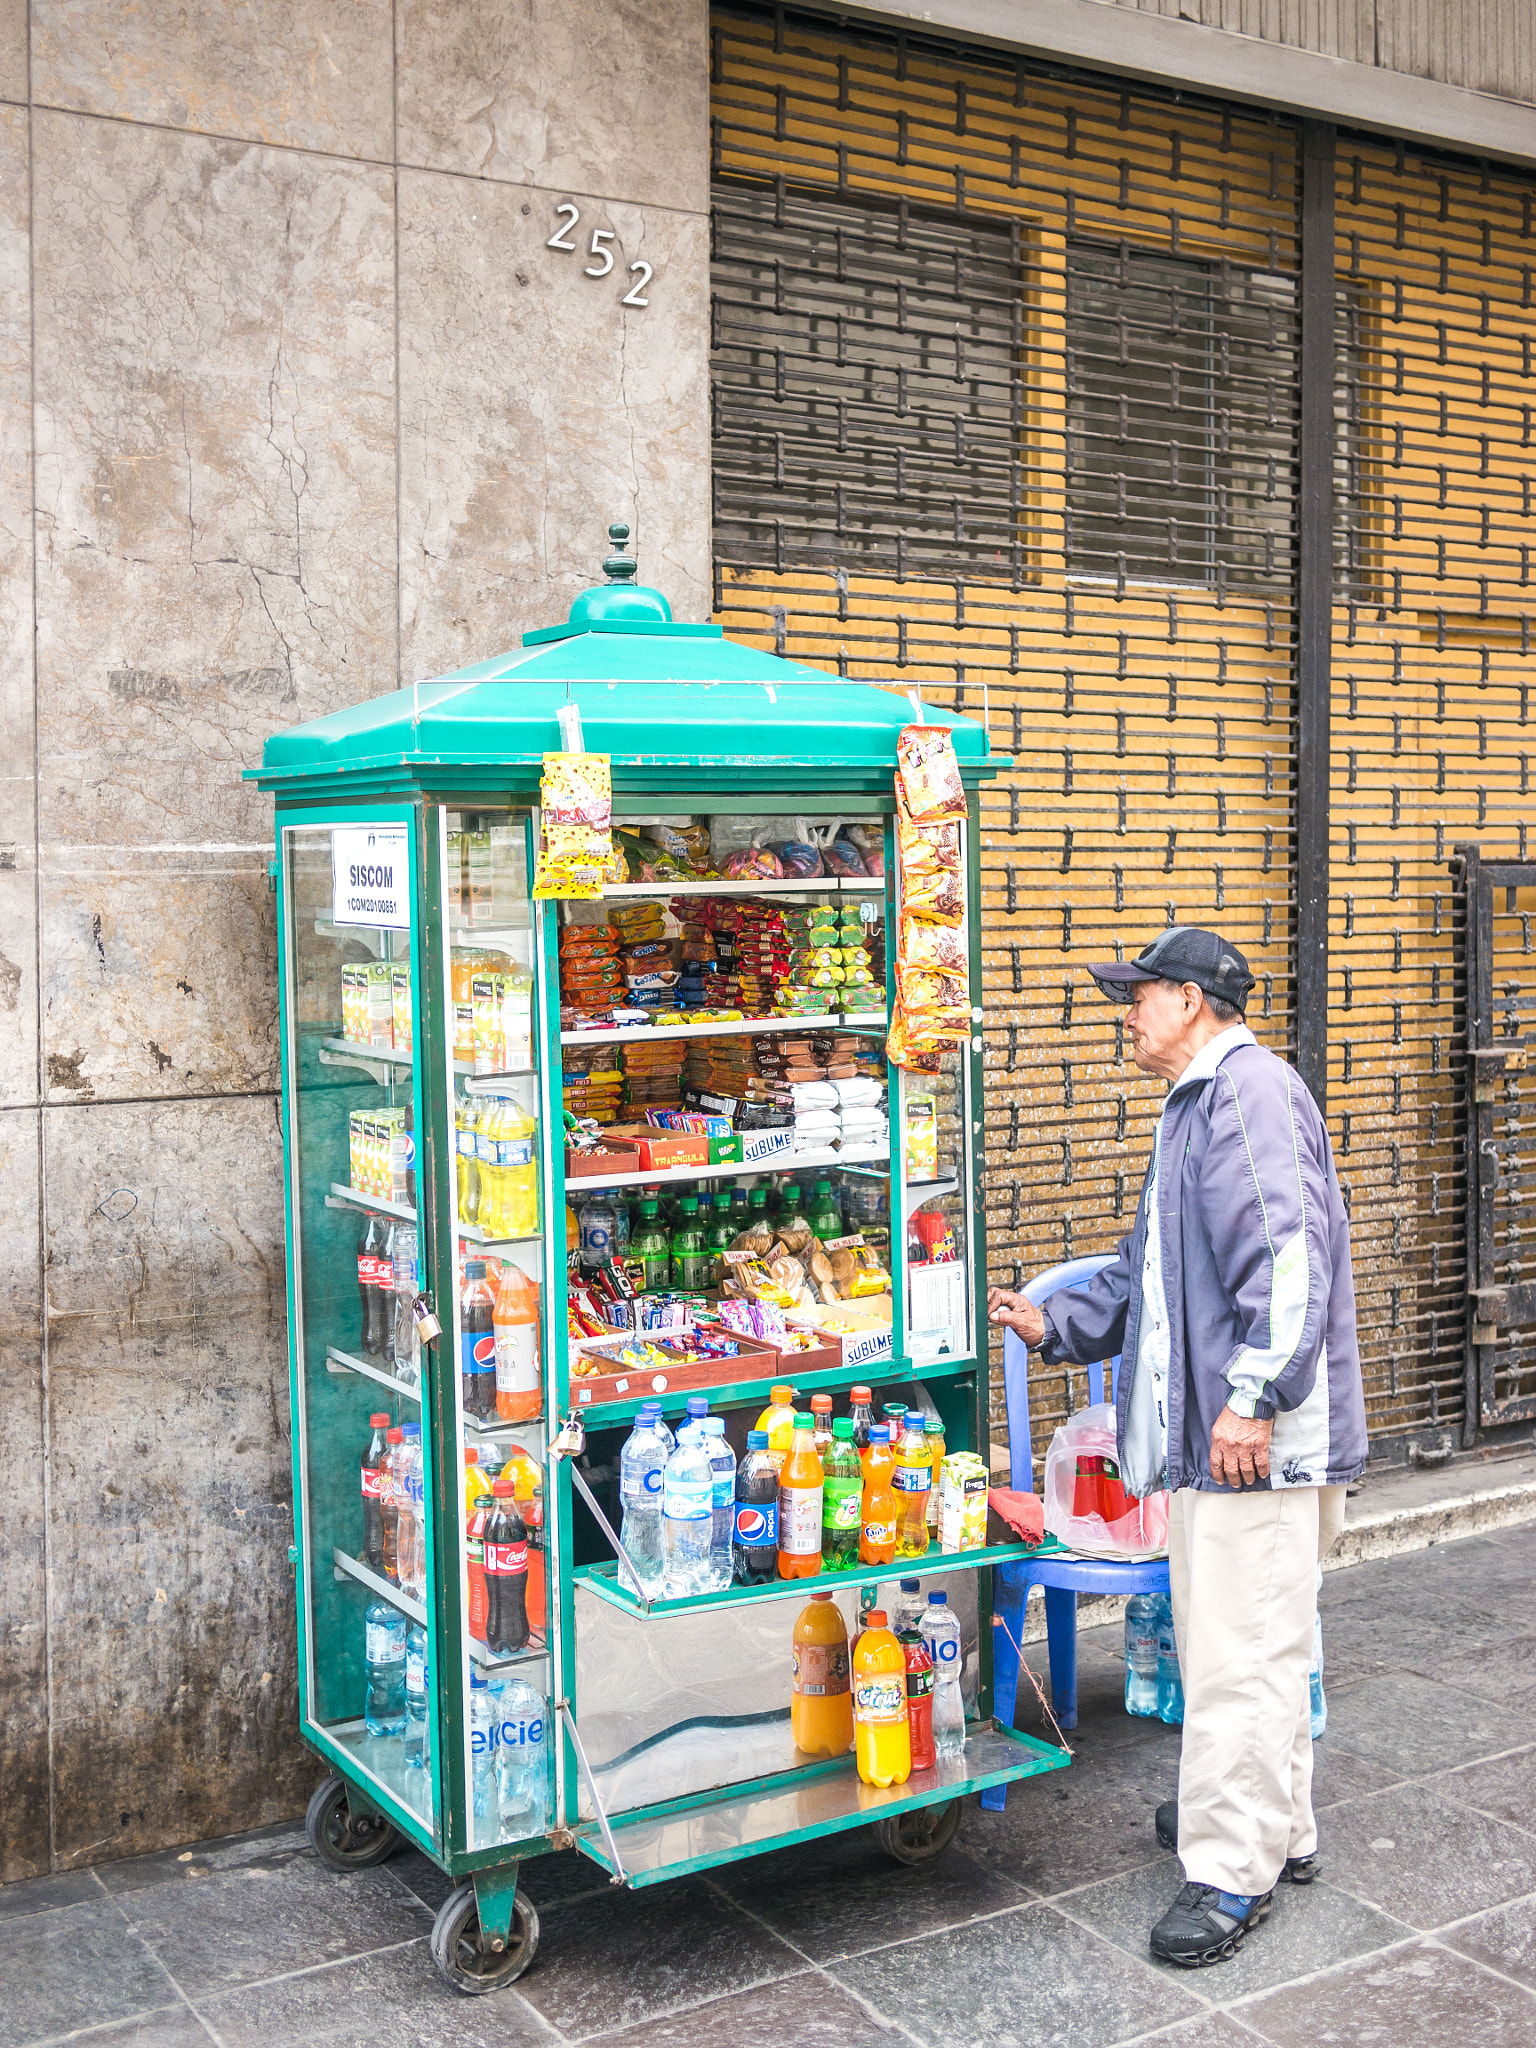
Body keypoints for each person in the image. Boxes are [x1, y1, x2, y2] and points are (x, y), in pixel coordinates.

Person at [988, 926, 1367, 1968]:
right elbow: (1145, 1269)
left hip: (1256, 1445)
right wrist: (1050, 1324)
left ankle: (1231, 1870)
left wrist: (1252, 1396)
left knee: (1238, 1656)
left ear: (1193, 1001)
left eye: (1139, 995)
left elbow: (1289, 1263)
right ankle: (1274, 1826)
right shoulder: (1200, 1102)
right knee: (1255, 1646)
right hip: (1231, 1445)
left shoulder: (1243, 1095)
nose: (1127, 1013)